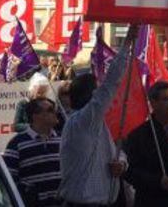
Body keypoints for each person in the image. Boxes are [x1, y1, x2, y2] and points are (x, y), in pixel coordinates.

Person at [58, 26, 135, 207]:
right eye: (96, 90)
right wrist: (127, 44)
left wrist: (121, 164)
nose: (100, 95)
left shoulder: (97, 125)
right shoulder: (82, 122)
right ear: (89, 95)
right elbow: (110, 84)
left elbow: (117, 154)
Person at [125, 80, 168, 207]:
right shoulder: (139, 135)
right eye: (166, 99)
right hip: (150, 200)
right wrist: (156, 181)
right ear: (153, 103)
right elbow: (130, 171)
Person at [3, 97, 63, 206]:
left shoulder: (64, 139)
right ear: (36, 116)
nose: (55, 112)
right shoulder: (16, 144)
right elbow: (8, 179)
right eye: (50, 110)